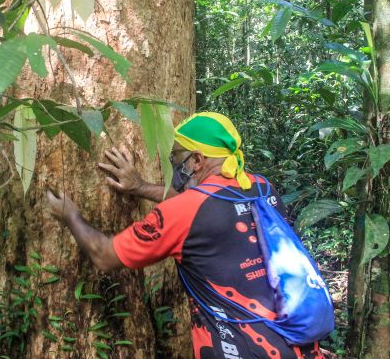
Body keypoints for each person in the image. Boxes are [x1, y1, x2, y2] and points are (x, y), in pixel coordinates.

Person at [46, 112, 324, 359]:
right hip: (299, 341)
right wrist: (141, 187)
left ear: (197, 160)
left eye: (176, 156)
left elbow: (104, 255)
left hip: (241, 348)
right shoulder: (263, 188)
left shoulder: (183, 212)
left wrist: (71, 215)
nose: (173, 163)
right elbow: (206, 201)